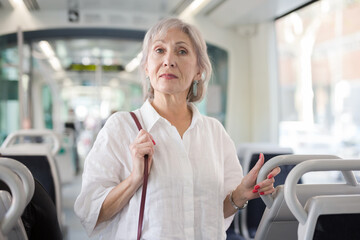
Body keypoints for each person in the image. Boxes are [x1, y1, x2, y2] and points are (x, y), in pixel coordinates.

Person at [74, 17, 280, 239]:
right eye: (159, 50)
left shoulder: (214, 133)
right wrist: (135, 179)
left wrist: (239, 196)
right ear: (146, 66)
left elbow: (213, 215)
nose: (169, 60)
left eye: (182, 52)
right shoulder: (121, 128)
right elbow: (91, 212)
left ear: (199, 70)